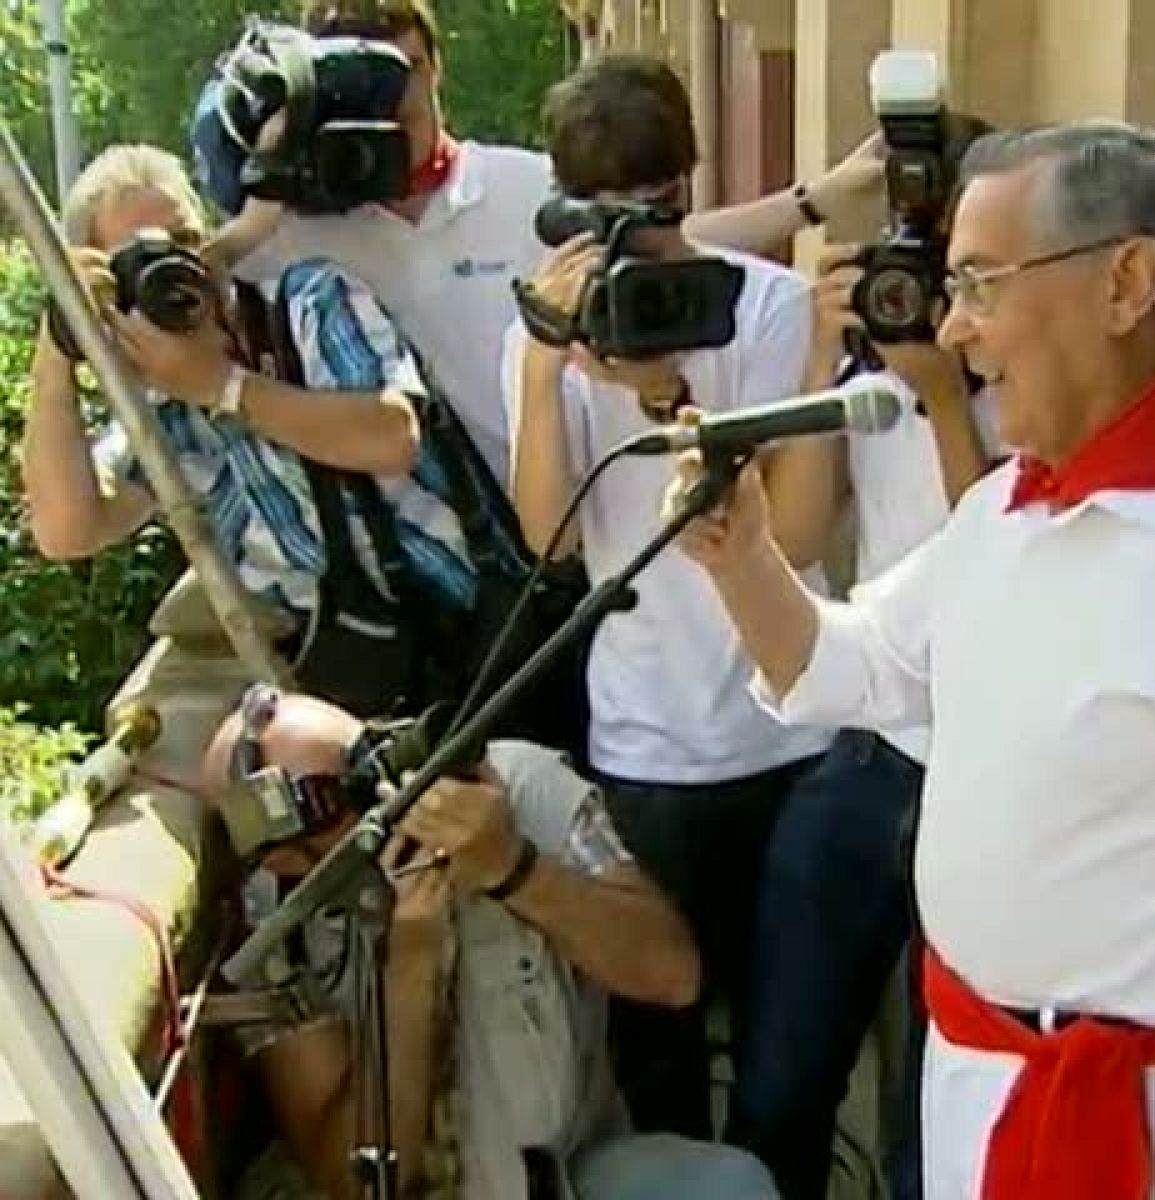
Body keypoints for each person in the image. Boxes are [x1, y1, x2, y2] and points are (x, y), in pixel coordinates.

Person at [669, 121, 1155, 1199]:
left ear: (1127, 282)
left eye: (979, 282)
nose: (955, 327)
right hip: (979, 1092)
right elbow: (857, 665)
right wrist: (740, 560)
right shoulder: (1007, 509)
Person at [505, 53, 835, 1148]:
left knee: (790, 1049)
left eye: (649, 208)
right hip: (650, 737)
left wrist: (660, 388)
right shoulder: (543, 330)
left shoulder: (770, 307)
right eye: (601, 213)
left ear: (683, 187)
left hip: (784, 724)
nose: (629, 240)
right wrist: (549, 372)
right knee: (656, 1033)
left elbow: (787, 531)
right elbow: (546, 536)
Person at [210, 0, 884, 488]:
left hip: (590, 500)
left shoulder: (521, 184)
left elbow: (671, 238)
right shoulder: (306, 235)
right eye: (368, 83)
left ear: (438, 66)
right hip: (472, 549)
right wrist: (259, 209)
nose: (398, 99)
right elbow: (182, 297)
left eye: (408, 68)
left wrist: (813, 202)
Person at [201, 688, 779, 1200]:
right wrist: (409, 965)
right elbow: (362, 1181)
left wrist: (515, 870)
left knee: (728, 1185)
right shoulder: (279, 932)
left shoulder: (521, 786)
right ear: (283, 857)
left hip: (572, 1171)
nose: (385, 796)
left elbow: (673, 974)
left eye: (373, 755)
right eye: (339, 800)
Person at [737, 132, 1004, 1194]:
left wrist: (947, 394)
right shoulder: (870, 368)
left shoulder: (1032, 382)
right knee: (782, 1071)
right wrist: (817, 361)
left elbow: (1004, 544)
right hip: (871, 742)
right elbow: (798, 538)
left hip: (982, 766)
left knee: (932, 1102)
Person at [21, 143, 482, 717]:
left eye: (183, 241)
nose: (175, 270)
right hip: (328, 651)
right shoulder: (161, 403)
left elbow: (392, 436)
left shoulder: (306, 301)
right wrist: (57, 351)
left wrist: (223, 385)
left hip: (444, 626)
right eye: (139, 259)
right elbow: (68, 531)